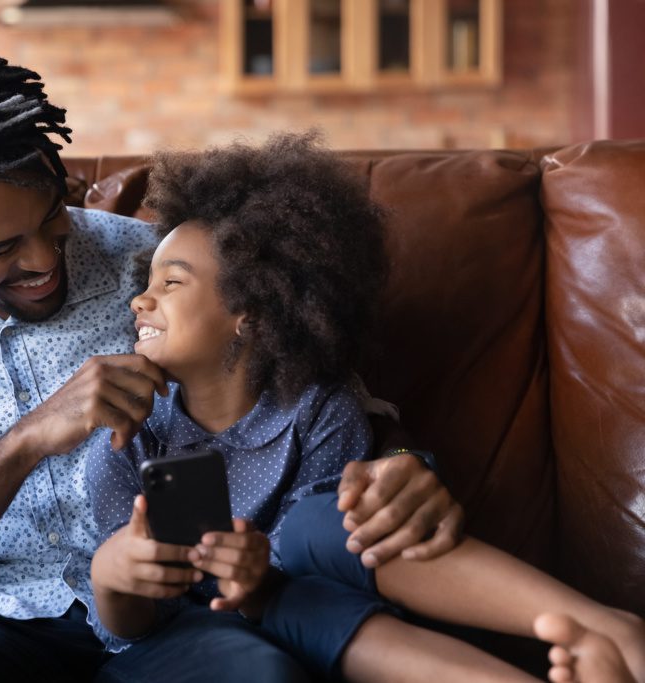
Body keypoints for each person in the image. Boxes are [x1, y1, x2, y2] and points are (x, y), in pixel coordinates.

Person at [0, 55, 463, 682]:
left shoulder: (144, 262)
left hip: (173, 617)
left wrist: (402, 462)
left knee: (262, 671)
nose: (43, 260)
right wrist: (27, 438)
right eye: (3, 248)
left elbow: (305, 376)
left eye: (51, 216)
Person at [86, 132, 645, 682]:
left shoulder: (319, 410)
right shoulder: (129, 428)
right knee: (277, 615)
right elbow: (128, 625)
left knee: (322, 533)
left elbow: (323, 555)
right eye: (148, 281)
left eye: (171, 283)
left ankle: (601, 629)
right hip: (197, 635)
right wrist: (110, 575)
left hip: (310, 601)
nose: (140, 299)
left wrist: (260, 581)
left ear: (251, 312)